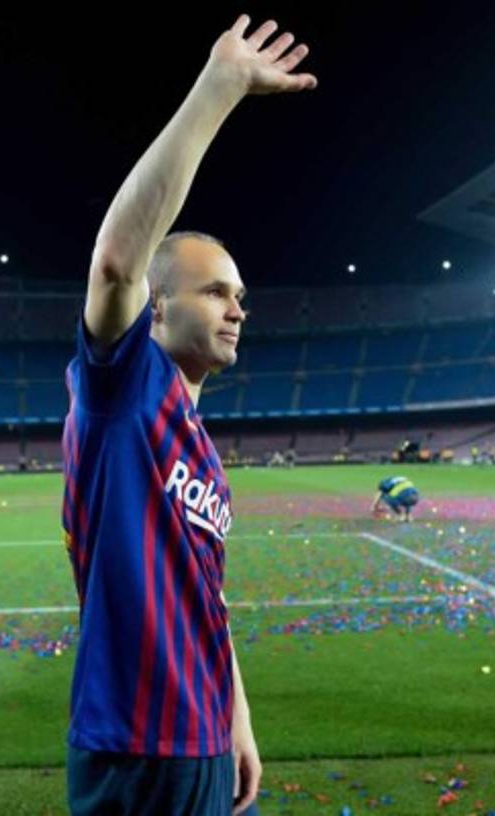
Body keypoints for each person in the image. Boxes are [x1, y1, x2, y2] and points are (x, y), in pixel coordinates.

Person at [60, 15, 316, 816]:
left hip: (204, 741)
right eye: (215, 291)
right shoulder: (124, 390)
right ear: (156, 307)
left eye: (240, 296)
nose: (237, 308)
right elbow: (114, 261)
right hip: (135, 748)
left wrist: (236, 719)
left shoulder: (200, 448)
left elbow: (207, 595)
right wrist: (220, 89)